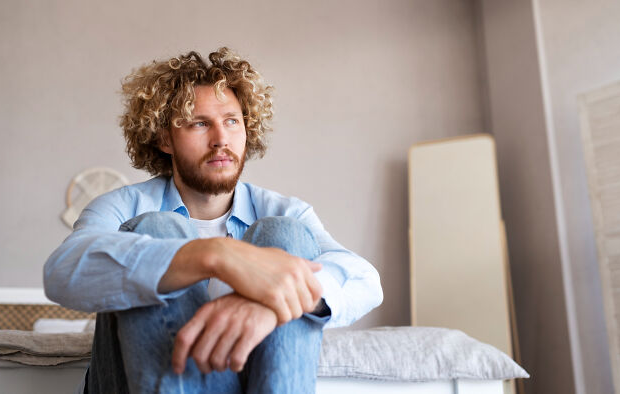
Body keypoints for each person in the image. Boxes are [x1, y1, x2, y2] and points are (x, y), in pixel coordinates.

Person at [44, 47, 383, 394]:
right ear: (164, 139)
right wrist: (214, 255)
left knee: (285, 237)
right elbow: (63, 270)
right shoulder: (124, 206)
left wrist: (269, 303)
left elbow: (364, 279)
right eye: (200, 123)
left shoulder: (282, 210)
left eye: (232, 121)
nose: (221, 139)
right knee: (157, 229)